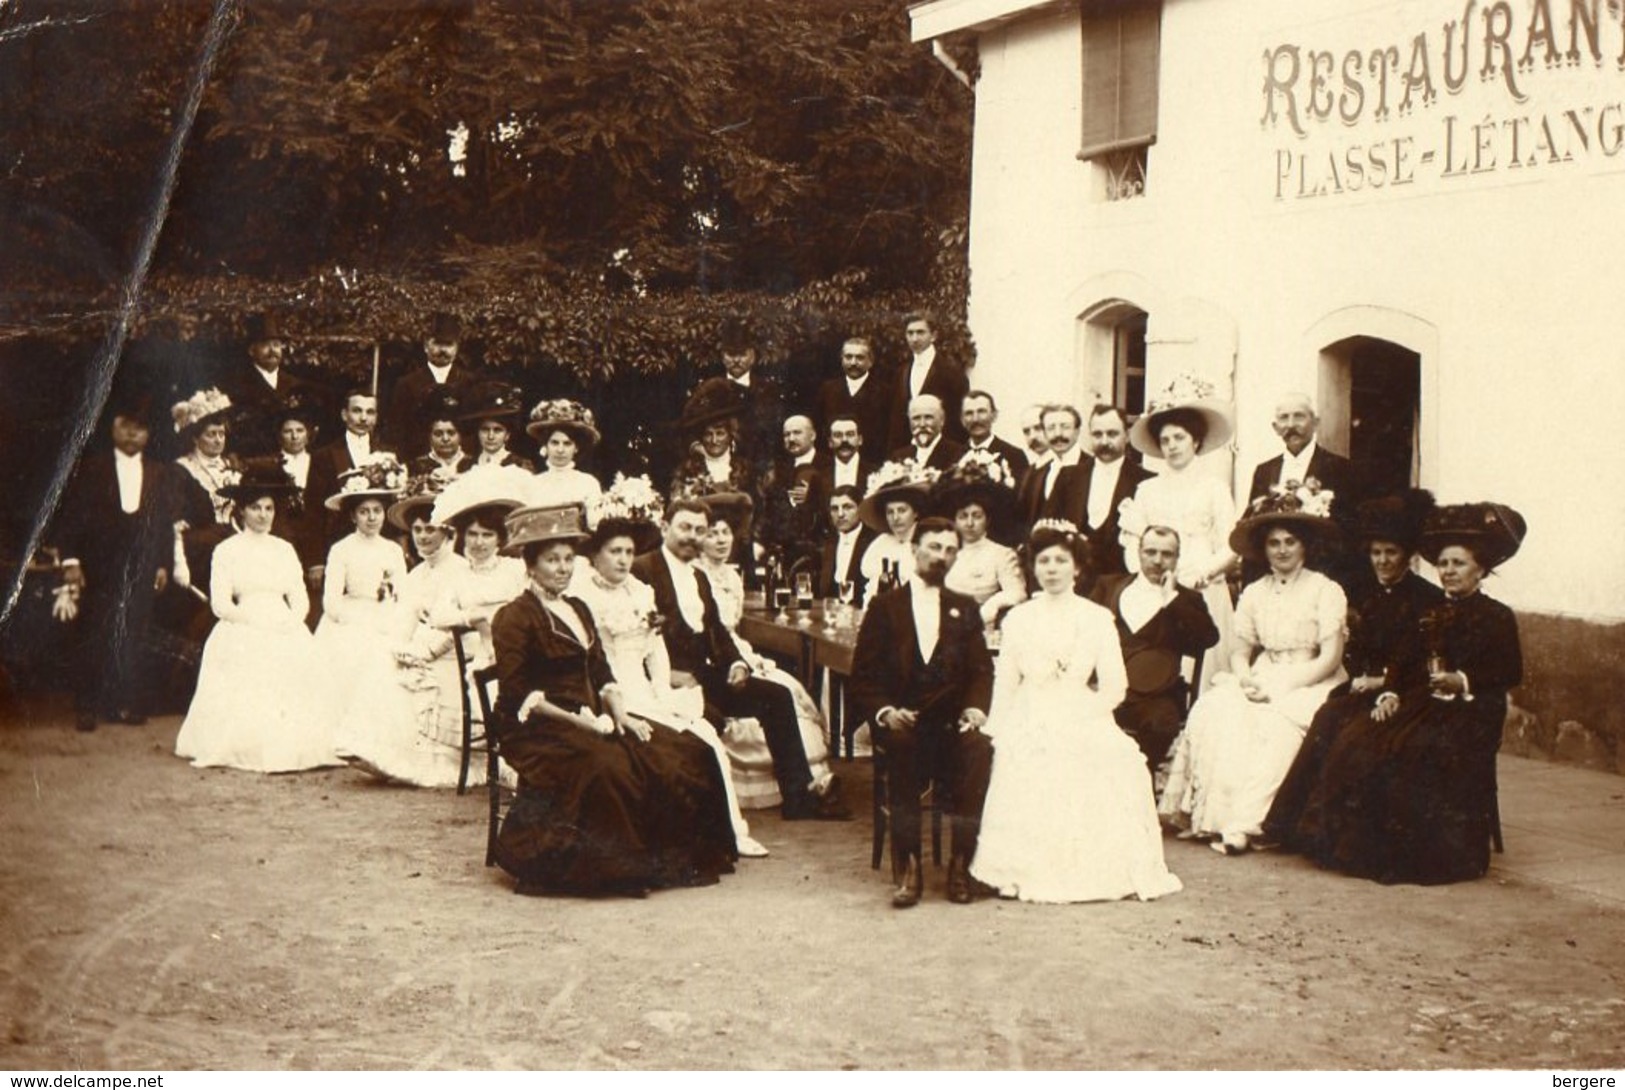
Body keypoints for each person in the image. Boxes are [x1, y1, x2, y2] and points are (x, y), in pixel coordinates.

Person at [490, 503, 738, 897]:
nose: (563, 568)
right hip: (537, 727)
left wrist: (620, 714)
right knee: (611, 766)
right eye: (552, 560)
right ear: (531, 565)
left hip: (592, 714)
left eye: (569, 559)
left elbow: (600, 671)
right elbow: (520, 694)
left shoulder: (577, 608)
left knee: (676, 750)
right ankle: (611, 869)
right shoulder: (515, 616)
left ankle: (669, 861)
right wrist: (583, 722)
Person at [1284, 502, 1525, 885]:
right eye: (1443, 564)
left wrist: (1461, 680)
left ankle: (1425, 854)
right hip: (1423, 701)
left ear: (1480, 569)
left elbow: (1508, 671)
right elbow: (1404, 663)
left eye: (1458, 564)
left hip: (1474, 710)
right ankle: (1348, 845)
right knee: (1360, 738)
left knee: (1413, 748)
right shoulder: (1431, 612)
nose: (1448, 572)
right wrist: (1391, 693)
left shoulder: (1496, 616)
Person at [972, 521, 1182, 904]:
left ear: (1077, 568)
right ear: (1033, 568)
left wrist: (1084, 712)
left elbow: (1115, 686)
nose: (1051, 569)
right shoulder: (1018, 619)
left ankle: (1092, 867)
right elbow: (1006, 684)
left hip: (1083, 711)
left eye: (1061, 561)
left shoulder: (1096, 618)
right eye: (1044, 561)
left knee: (1112, 758)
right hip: (1030, 712)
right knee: (1025, 754)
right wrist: (997, 728)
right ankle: (1021, 867)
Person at [567, 479, 770, 857]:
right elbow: (590, 662)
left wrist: (663, 690)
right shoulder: (583, 598)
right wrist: (613, 703)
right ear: (595, 555)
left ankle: (732, 832)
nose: (624, 560)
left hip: (647, 688)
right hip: (606, 693)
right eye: (614, 552)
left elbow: (655, 649)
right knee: (667, 752)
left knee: (705, 736)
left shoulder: (640, 591)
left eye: (628, 551)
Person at [1158, 484, 1347, 853]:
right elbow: (1241, 650)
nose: (1282, 550)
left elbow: (1330, 658)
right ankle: (1210, 818)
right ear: (1264, 549)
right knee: (1215, 711)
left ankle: (1248, 823)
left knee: (1274, 725)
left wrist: (1280, 688)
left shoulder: (1325, 590)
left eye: (1290, 541)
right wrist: (1245, 680)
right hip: (1261, 673)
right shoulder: (1254, 592)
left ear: (1305, 545)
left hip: (1310, 677)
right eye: (1274, 543)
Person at [631, 498, 848, 821]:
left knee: (777, 696)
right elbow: (632, 634)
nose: (692, 536)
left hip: (704, 676)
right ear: (665, 528)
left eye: (699, 530)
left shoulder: (699, 578)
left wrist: (736, 664)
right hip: (663, 682)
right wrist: (666, 675)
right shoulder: (642, 569)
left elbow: (717, 631)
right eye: (685, 527)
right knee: (709, 720)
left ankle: (798, 797)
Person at [1260, 491, 1442, 844]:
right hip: (1365, 686)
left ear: (1407, 556)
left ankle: (1339, 832)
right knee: (1327, 716)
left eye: (1391, 553)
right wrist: (1360, 674)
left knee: (1355, 736)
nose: (1383, 561)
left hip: (1406, 693)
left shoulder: (1426, 598)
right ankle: (1292, 826)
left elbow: (1422, 658)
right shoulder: (1362, 593)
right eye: (1376, 553)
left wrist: (1385, 681)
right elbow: (1351, 647)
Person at [848, 517, 993, 907]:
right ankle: (909, 866)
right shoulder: (884, 607)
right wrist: (884, 711)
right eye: (933, 547)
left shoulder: (964, 608)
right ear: (914, 551)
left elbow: (982, 670)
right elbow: (861, 677)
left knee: (980, 751)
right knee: (902, 745)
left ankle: (961, 863)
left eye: (949, 550)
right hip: (903, 723)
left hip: (948, 724)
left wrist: (976, 709)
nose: (940, 557)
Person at [174, 461, 339, 772]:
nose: (263, 515)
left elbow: (299, 598)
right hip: (242, 622)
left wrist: (291, 622)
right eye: (255, 508)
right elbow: (221, 604)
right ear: (241, 512)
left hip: (283, 623)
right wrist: (251, 622)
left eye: (269, 508)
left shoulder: (285, 549)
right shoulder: (226, 550)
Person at [52, 394, 191, 730]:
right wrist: (71, 561)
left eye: (139, 430)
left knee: (133, 633)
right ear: (113, 429)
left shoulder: (158, 472)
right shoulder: (92, 468)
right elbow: (72, 518)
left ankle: (123, 702)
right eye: (125, 428)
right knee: (95, 631)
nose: (132, 435)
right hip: (98, 566)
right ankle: (87, 704)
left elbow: (161, 524)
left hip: (141, 567)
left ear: (147, 435)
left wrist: (160, 564)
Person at [331, 474, 471, 785]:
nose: (422, 537)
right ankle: (375, 749)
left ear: (447, 531)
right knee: (382, 658)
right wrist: (399, 647)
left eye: (430, 529)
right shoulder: (418, 573)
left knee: (406, 674)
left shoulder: (461, 570)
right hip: (420, 651)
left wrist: (423, 651)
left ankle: (407, 754)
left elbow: (461, 627)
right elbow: (403, 618)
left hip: (454, 654)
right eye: (417, 530)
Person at [693, 512, 836, 812]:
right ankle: (796, 794)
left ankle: (801, 790)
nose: (720, 540)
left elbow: (730, 629)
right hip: (710, 658)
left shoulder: (732, 576)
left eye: (726, 533)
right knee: (774, 692)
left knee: (787, 688)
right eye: (712, 533)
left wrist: (745, 658)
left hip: (734, 650)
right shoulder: (693, 576)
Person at [1118, 375, 1240, 691]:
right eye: (1166, 439)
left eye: (1180, 438)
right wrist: (1143, 575)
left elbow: (1231, 544)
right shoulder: (1146, 489)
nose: (1172, 446)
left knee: (1204, 670)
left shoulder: (1215, 488)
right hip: (1157, 587)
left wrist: (1204, 572)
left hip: (1203, 587)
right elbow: (1133, 540)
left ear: (1196, 441)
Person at [1090, 526, 1220, 775]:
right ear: (1138, 552)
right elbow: (1082, 632)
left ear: (1177, 558)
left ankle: (1138, 781)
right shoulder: (1108, 586)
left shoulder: (1186, 599)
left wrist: (1171, 598)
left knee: (1161, 725)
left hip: (1155, 694)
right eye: (1150, 552)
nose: (1158, 561)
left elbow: (1208, 638)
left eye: (1167, 554)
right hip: (1104, 688)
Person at [313, 454, 409, 720]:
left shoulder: (392, 549)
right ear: (353, 516)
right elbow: (330, 601)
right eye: (364, 512)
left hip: (385, 616)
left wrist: (393, 616)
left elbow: (403, 594)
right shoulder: (341, 549)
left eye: (377, 511)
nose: (371, 518)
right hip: (348, 619)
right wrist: (355, 620)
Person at [1246, 391, 1360, 588]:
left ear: (1315, 423)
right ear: (1275, 427)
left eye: (1299, 416)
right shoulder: (1264, 471)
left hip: (1323, 581)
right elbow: (1253, 531)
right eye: (1284, 418)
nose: (1291, 425)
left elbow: (1350, 537)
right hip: (1274, 584)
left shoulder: (1341, 469)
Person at [1045, 405, 1152, 577]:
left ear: (1127, 436)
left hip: (1122, 582)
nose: (1104, 441)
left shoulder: (1145, 481)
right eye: (1097, 434)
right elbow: (1047, 532)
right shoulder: (1068, 477)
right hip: (1073, 581)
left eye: (1112, 434)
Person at [668, 378, 757, 570]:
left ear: (731, 435)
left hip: (742, 552)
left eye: (720, 433)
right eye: (708, 434)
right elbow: (677, 510)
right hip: (697, 553)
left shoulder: (747, 469)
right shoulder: (687, 470)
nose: (714, 440)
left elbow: (760, 511)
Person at [935, 456, 1027, 628]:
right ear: (955, 520)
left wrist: (991, 606)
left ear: (987, 519)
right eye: (963, 516)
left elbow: (1017, 592)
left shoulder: (1002, 554)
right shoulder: (945, 552)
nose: (970, 523)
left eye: (977, 516)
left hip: (983, 626)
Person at [268, 394, 330, 624]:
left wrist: (317, 559)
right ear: (279, 436)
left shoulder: (321, 463)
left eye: (299, 430)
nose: (294, 436)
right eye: (288, 431)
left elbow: (324, 513)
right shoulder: (271, 464)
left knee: (313, 606)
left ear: (309, 434)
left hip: (313, 541)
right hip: (281, 538)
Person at [225, 311, 317, 458]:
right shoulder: (236, 385)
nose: (272, 350)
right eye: (265, 345)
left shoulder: (296, 385)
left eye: (276, 344)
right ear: (252, 350)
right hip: (253, 460)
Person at [306, 388, 390, 545]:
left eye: (370, 412)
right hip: (336, 541)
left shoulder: (387, 454)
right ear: (344, 415)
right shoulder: (324, 456)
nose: (364, 418)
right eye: (357, 411)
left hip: (379, 542)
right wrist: (315, 563)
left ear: (376, 417)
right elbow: (313, 512)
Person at [383, 311, 477, 449]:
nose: (443, 350)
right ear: (426, 346)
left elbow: (473, 428)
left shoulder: (470, 383)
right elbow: (396, 430)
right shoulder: (406, 384)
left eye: (449, 344)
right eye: (438, 344)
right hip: (418, 458)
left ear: (457, 348)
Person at [754, 414, 827, 576]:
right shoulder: (778, 470)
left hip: (820, 551)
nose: (791, 438)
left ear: (813, 435)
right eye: (786, 435)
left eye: (797, 433)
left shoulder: (827, 466)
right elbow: (770, 511)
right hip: (785, 553)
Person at [887, 312, 968, 451]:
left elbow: (958, 418)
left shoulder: (952, 372)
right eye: (910, 333)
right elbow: (896, 419)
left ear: (933, 336)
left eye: (920, 332)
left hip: (943, 451)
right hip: (907, 452)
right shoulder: (901, 372)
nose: (914, 338)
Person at [856, 461, 934, 590]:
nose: (895, 518)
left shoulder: (927, 542)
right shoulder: (881, 543)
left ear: (915, 512)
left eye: (902, 510)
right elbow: (871, 588)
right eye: (890, 512)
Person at [813, 336, 890, 458]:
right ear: (842, 360)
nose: (853, 362)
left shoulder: (884, 392)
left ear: (870, 362)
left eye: (859, 358)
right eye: (848, 357)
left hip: (872, 461)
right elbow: (818, 426)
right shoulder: (828, 390)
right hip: (833, 462)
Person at [1014, 403, 1083, 534]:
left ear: (1077, 431)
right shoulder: (1036, 471)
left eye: (1065, 427)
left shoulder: (1089, 466)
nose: (1058, 434)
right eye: (1051, 428)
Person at [523, 399, 603, 509]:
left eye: (567, 444)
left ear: (576, 448)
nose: (560, 450)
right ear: (545, 445)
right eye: (554, 443)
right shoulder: (532, 484)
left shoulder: (588, 483)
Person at [816, 484, 877, 606]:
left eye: (847, 507)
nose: (840, 514)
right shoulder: (828, 542)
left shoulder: (874, 542)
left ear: (860, 509)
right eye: (834, 508)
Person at [960, 390, 1030, 483]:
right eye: (969, 413)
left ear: (994, 415)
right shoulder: (955, 457)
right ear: (962, 419)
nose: (975, 419)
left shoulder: (1014, 456)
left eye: (981, 411)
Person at [460, 382, 534, 470]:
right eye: (485, 430)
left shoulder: (520, 465)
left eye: (497, 430)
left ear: (507, 435)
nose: (490, 436)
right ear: (478, 433)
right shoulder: (466, 465)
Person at [889, 394, 965, 471]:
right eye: (916, 418)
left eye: (928, 417)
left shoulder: (958, 454)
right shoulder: (898, 457)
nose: (922, 424)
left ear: (942, 420)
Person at [814, 413, 875, 495]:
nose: (844, 440)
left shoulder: (875, 472)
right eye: (838, 435)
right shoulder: (818, 475)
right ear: (830, 442)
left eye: (850, 434)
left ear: (860, 440)